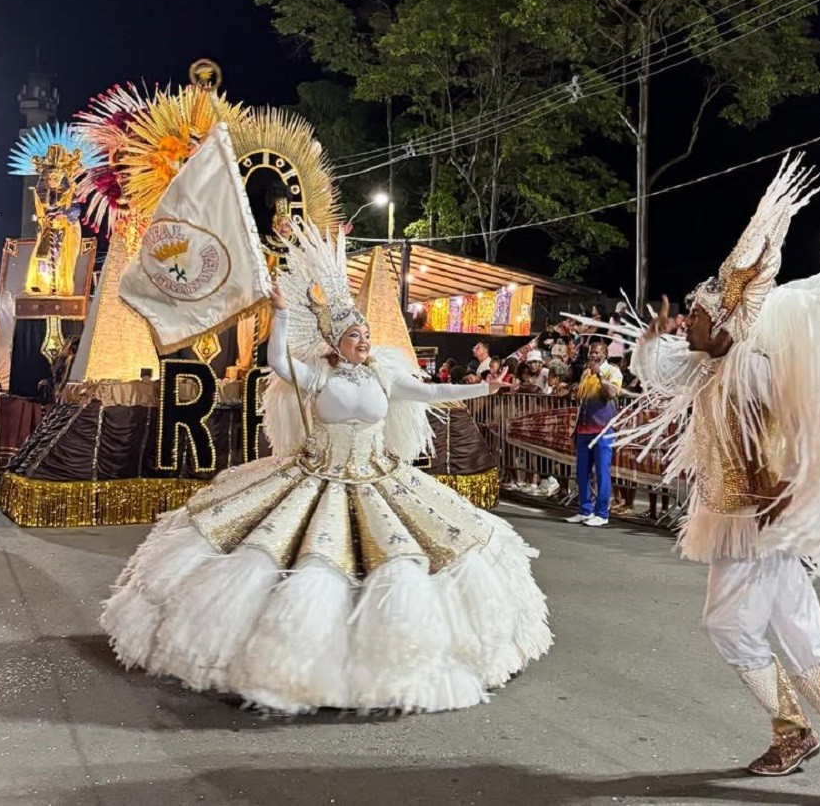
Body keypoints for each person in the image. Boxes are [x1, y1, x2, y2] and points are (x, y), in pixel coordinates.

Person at [101, 223, 551, 713]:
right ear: (336, 342)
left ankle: (380, 661)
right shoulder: (316, 375)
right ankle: (300, 666)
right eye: (355, 335)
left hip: (380, 477)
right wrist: (280, 313)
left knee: (404, 556)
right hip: (318, 474)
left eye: (367, 334)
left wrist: (483, 389)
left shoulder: (383, 373)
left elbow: (430, 392)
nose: (365, 340)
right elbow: (278, 361)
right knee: (300, 558)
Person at [614, 156, 820, 795]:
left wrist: (777, 499)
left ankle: (794, 731)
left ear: (721, 322)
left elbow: (767, 441)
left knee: (728, 625)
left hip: (752, 520)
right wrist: (654, 339)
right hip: (757, 518)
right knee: (800, 633)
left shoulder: (745, 366)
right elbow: (663, 372)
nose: (688, 322)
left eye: (695, 315)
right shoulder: (719, 362)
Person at [561, 340, 621, 528]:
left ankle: (602, 513)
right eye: (591, 352)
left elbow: (612, 393)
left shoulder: (613, 371)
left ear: (605, 354)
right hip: (584, 430)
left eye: (597, 352)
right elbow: (582, 403)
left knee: (602, 473)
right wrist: (575, 429)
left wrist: (600, 376)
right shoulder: (586, 373)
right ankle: (585, 510)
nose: (593, 355)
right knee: (582, 473)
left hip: (603, 430)